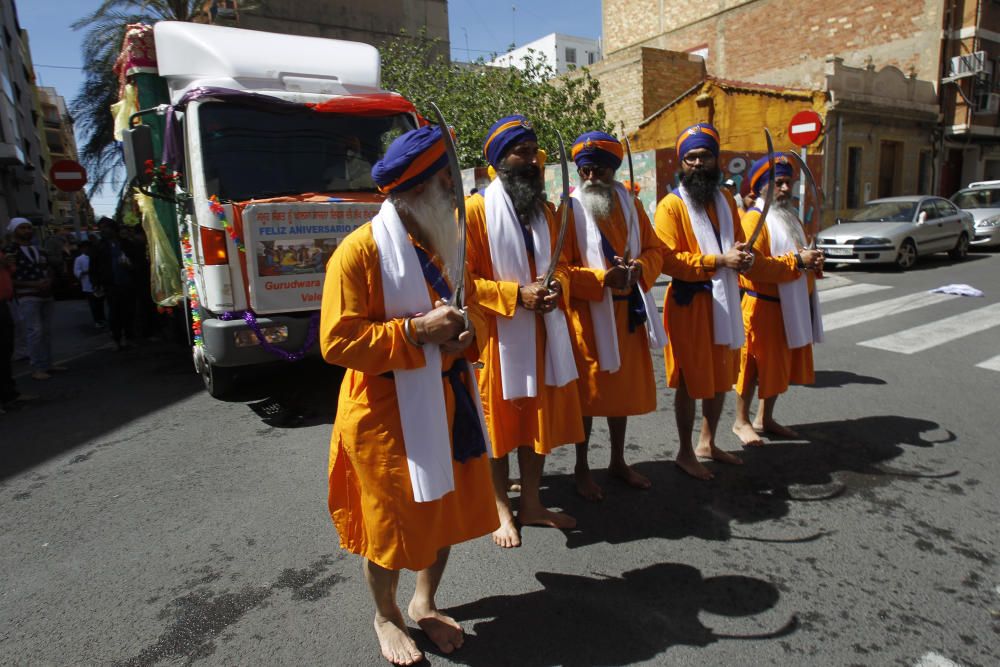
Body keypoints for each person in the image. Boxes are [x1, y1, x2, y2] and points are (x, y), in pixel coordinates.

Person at [320, 125, 498, 666]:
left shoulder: (447, 240)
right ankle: (386, 615)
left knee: (440, 513)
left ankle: (425, 602)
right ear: (417, 189)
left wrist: (470, 335)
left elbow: (474, 314)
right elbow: (337, 341)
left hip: (449, 401)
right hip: (383, 413)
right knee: (392, 527)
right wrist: (416, 332)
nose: (456, 195)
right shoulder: (358, 252)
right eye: (447, 183)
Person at [466, 114, 584, 547]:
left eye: (534, 152)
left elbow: (566, 266)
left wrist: (558, 287)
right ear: (499, 161)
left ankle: (531, 503)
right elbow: (464, 282)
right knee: (500, 430)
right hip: (497, 343)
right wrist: (518, 295)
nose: (532, 160)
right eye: (522, 152)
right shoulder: (475, 212)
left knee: (537, 427)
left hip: (545, 336)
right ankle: (500, 509)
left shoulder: (547, 212)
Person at [564, 131, 668, 501]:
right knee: (588, 400)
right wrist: (598, 279)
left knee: (619, 397)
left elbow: (657, 250)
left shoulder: (632, 205)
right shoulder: (567, 209)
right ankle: (580, 468)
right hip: (589, 318)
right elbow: (558, 269)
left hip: (628, 316)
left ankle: (618, 460)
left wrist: (640, 268)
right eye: (586, 171)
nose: (592, 178)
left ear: (614, 172)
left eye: (601, 172)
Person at [653, 123, 754, 480]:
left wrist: (744, 257)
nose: (697, 163)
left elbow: (739, 242)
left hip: (726, 301)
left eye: (704, 156)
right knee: (690, 380)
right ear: (682, 163)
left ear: (716, 159)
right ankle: (684, 451)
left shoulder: (726, 199)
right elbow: (668, 260)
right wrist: (719, 262)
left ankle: (707, 443)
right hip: (689, 305)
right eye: (691, 157)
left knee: (721, 374)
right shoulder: (670, 206)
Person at [732, 155, 824, 445]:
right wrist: (798, 261)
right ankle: (741, 421)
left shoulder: (792, 218)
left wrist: (814, 261)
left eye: (788, 183)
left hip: (791, 306)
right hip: (761, 306)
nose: (785, 189)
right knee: (751, 367)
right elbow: (753, 266)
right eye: (778, 183)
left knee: (779, 365)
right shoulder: (753, 220)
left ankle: (765, 418)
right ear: (762, 187)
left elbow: (802, 253)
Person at [4, 218, 64, 381]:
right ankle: (37, 366)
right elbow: (9, 277)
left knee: (46, 331)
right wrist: (32, 284)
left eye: (29, 228)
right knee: (34, 331)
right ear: (14, 231)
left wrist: (48, 281)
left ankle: (48, 363)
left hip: (45, 294)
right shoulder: (10, 251)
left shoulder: (38, 249)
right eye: (22, 228)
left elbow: (49, 268)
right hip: (27, 295)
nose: (27, 231)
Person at [92, 218, 140, 350]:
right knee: (114, 312)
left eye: (106, 227)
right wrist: (96, 283)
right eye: (101, 228)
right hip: (111, 284)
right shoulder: (99, 246)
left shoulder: (126, 244)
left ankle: (129, 337)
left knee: (129, 311)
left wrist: (130, 265)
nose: (103, 230)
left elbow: (137, 262)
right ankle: (116, 338)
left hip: (127, 282)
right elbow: (95, 266)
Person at [74, 240, 105, 328]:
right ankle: (97, 320)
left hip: (98, 283)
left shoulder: (95, 257)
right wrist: (86, 272)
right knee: (93, 304)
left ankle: (102, 318)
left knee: (100, 303)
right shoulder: (79, 259)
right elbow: (77, 272)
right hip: (87, 283)